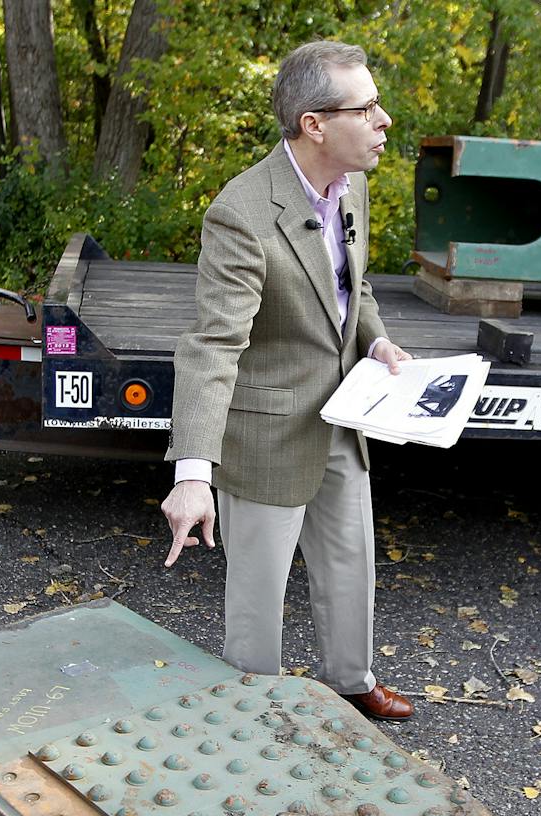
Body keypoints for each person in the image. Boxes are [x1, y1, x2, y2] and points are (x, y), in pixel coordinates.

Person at [160, 41, 415, 721]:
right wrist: (193, 473)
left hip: (344, 417)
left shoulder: (352, 182)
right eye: (367, 107)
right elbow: (213, 347)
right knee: (258, 592)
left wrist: (378, 338)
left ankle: (349, 683)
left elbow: (351, 287)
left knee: (350, 563)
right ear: (315, 124)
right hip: (268, 433)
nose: (384, 120)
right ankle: (254, 710)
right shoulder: (241, 213)